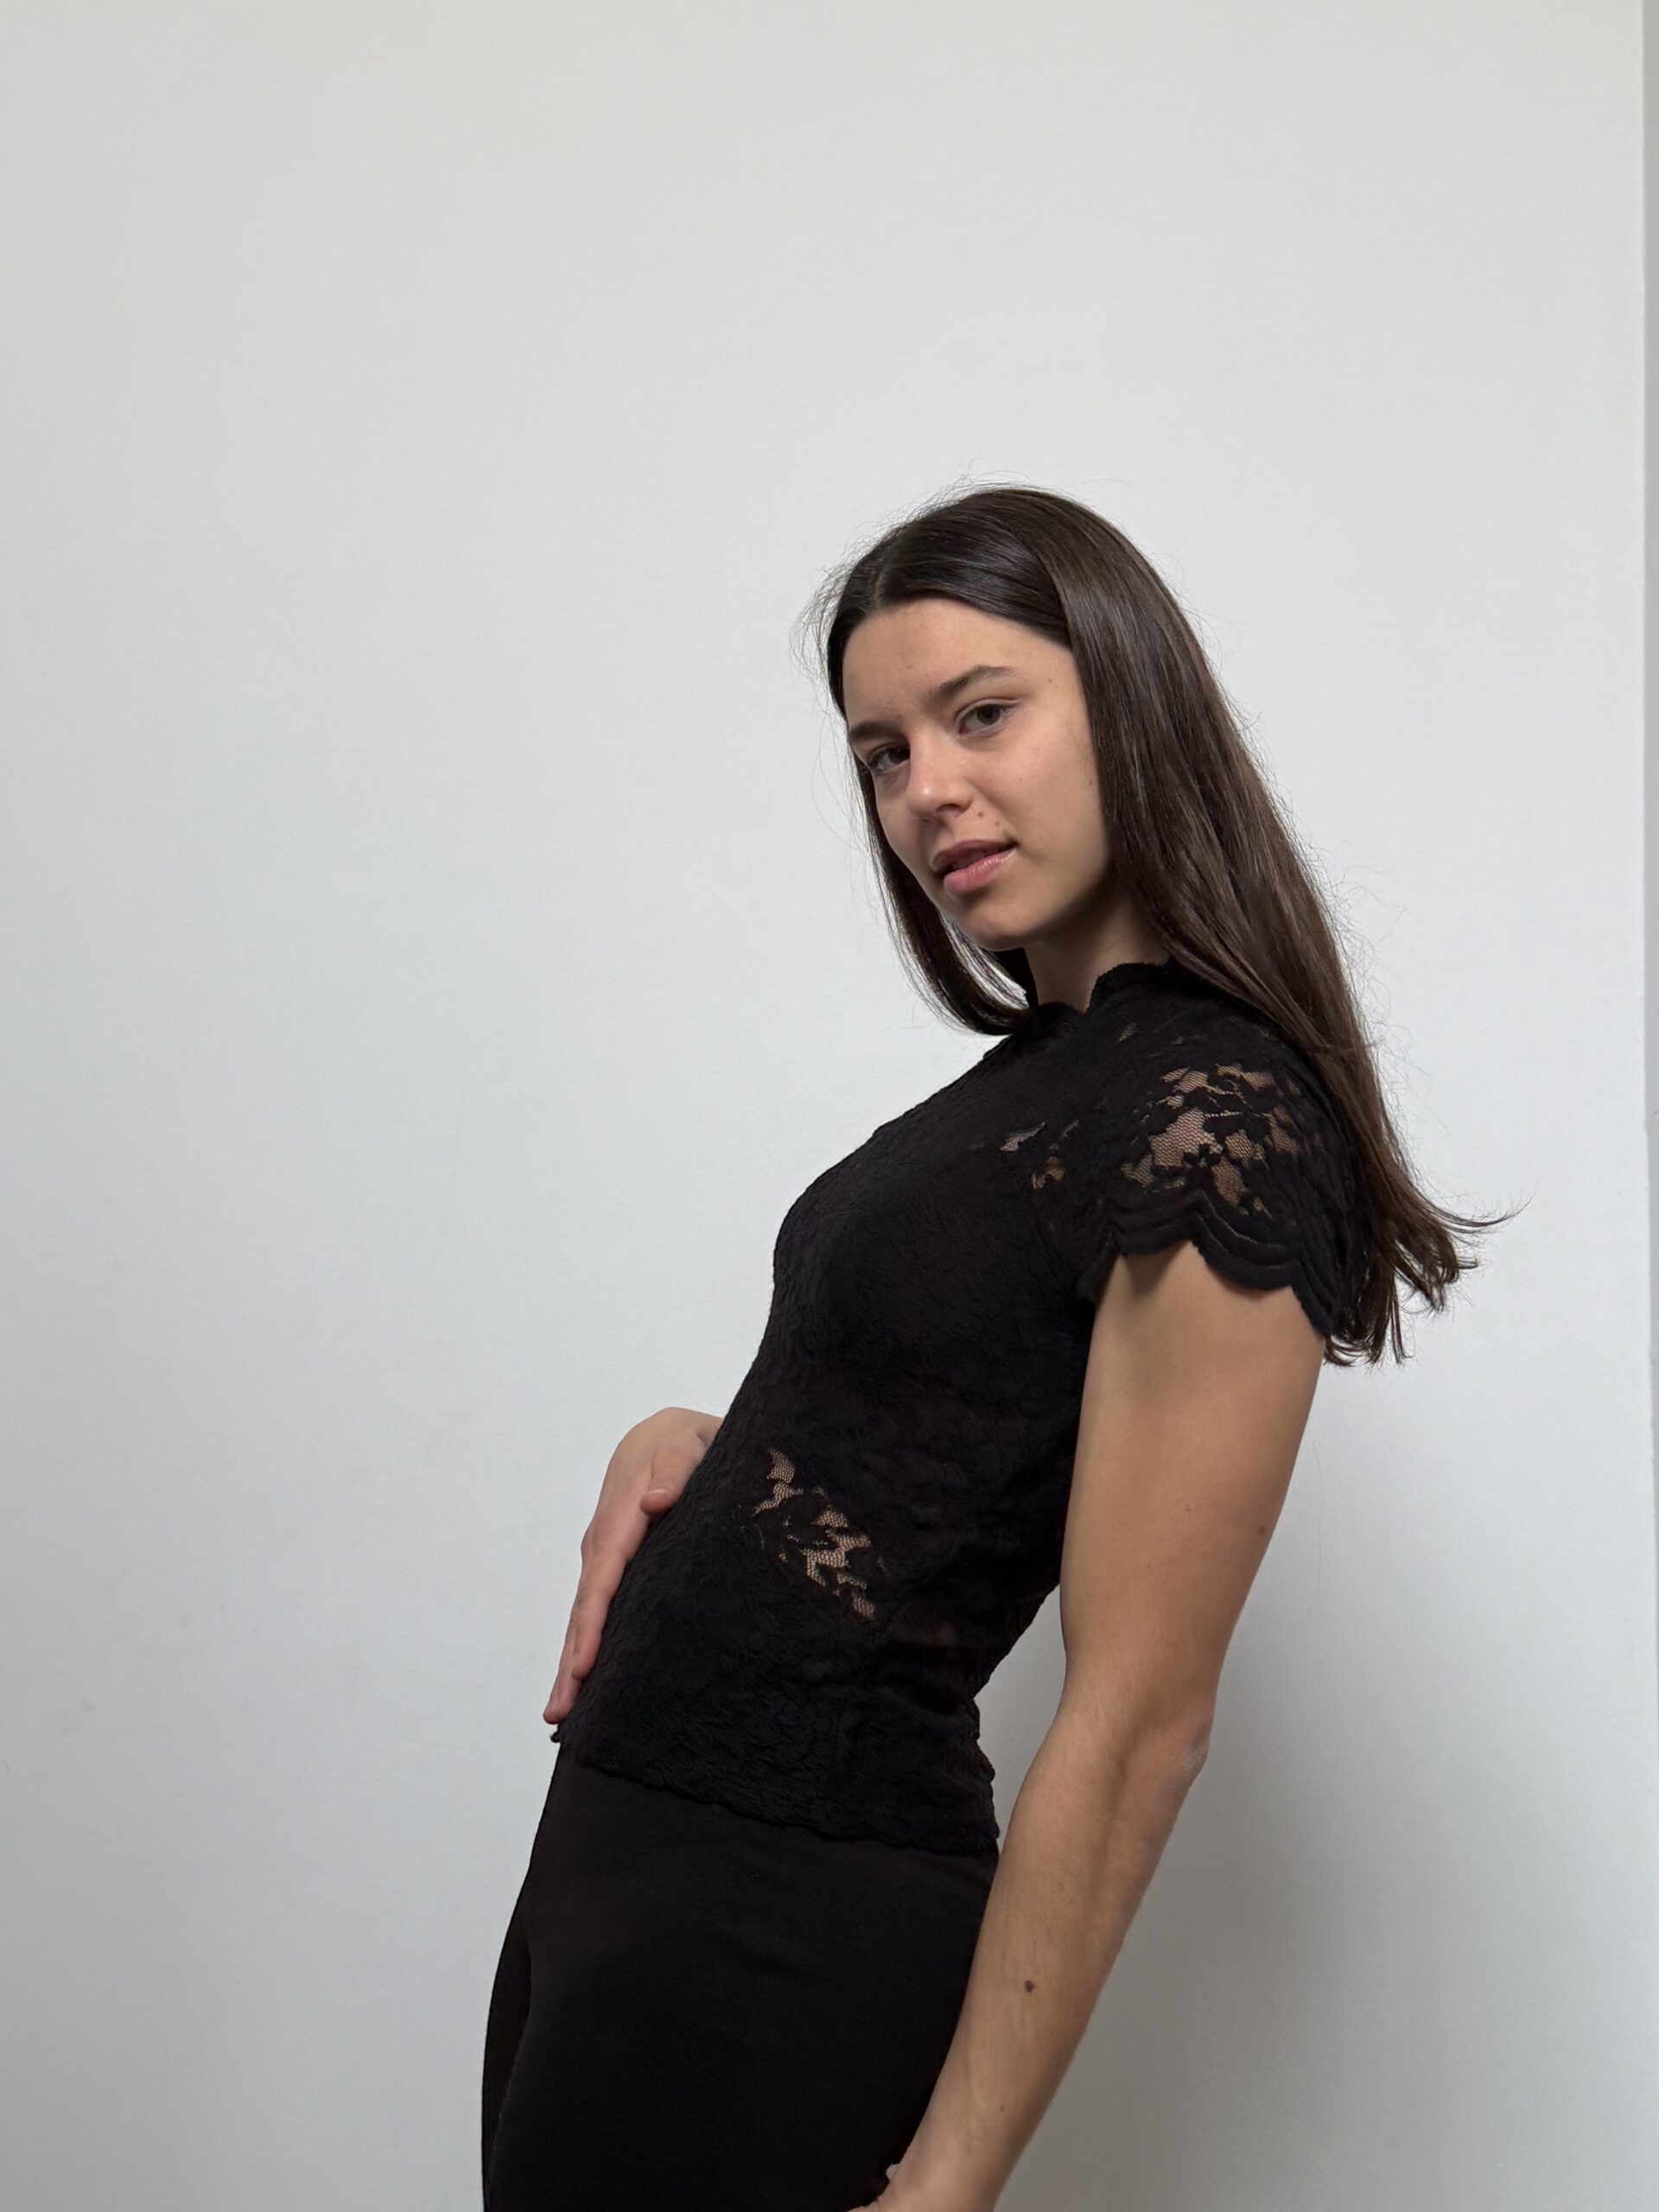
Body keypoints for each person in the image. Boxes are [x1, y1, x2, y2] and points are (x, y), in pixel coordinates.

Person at [480, 485, 1512, 2211]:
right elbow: (933, 1429)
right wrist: (700, 1443)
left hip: (774, 1925)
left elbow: (1140, 1720)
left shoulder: (1214, 1117)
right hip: (633, 1859)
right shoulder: (1047, 1074)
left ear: (1130, 696)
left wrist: (952, 2177)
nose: (927, 791)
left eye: (980, 714)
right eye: (883, 753)